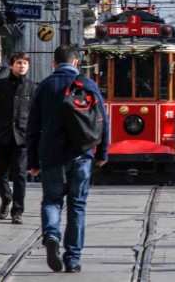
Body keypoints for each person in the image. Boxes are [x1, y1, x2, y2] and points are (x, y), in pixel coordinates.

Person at [26, 44, 109, 273]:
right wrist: (102, 153)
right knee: (77, 206)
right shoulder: (88, 84)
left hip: (51, 155)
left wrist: (32, 161)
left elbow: (32, 127)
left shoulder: (44, 86)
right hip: (81, 155)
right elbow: (102, 119)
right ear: (76, 63)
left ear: (54, 63)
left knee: (52, 201)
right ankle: (72, 259)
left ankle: (51, 234)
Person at [0, 51, 37, 224]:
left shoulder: (32, 87)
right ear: (11, 65)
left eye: (25, 64)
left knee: (20, 175)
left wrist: (32, 133)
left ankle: (17, 211)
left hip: (22, 137)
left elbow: (36, 113)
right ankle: (6, 198)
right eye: (19, 63)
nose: (22, 66)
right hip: (3, 136)